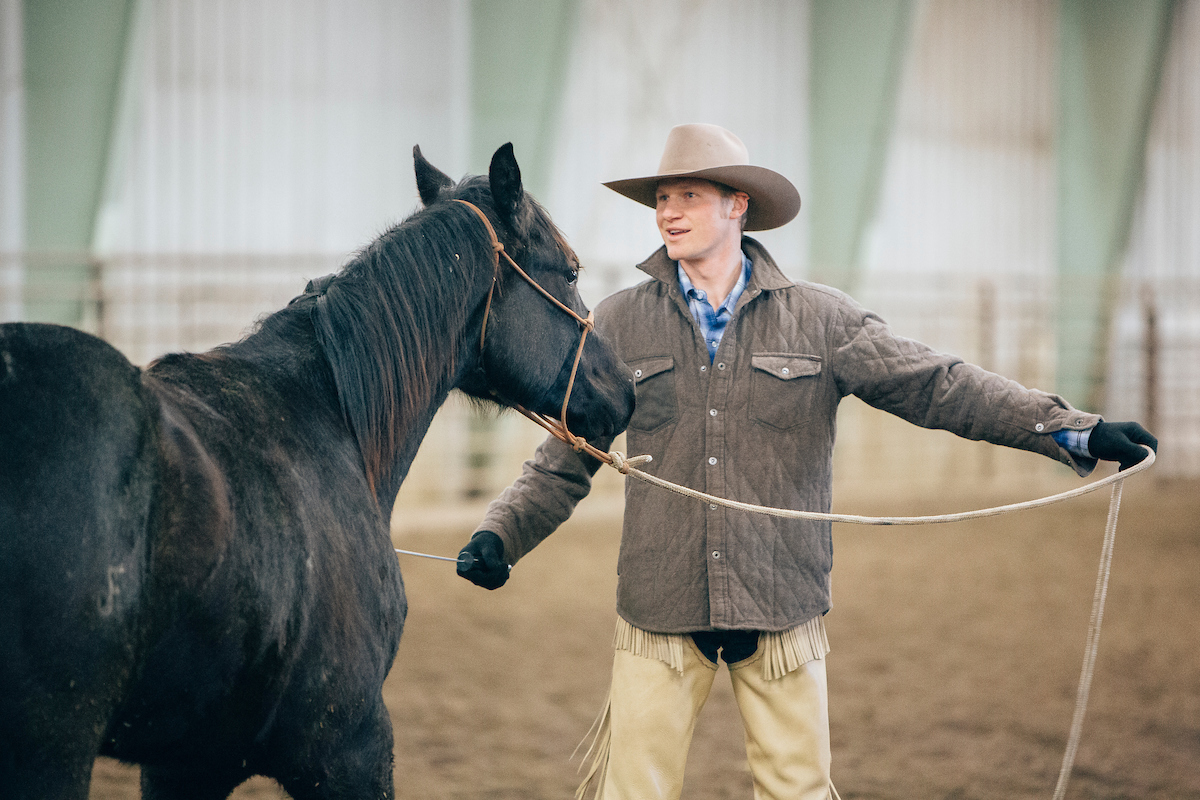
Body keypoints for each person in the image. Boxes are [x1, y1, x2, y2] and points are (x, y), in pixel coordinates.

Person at [455, 123, 1157, 800]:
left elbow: (937, 384)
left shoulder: (822, 320)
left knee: (797, 792)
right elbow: (564, 459)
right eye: (662, 199)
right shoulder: (616, 323)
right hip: (658, 608)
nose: (669, 212)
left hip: (782, 608)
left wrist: (1073, 431)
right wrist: (501, 534)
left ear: (738, 205)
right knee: (633, 791)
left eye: (689, 196)